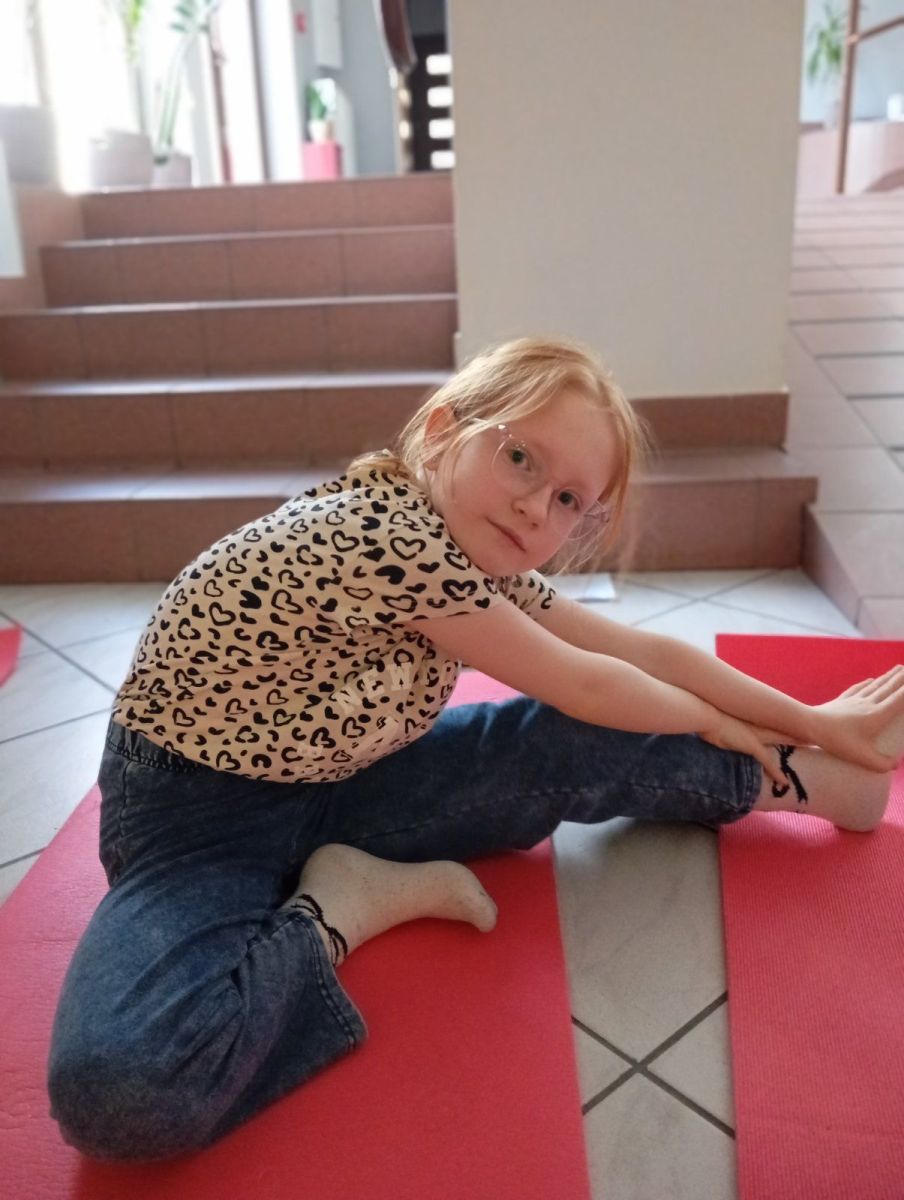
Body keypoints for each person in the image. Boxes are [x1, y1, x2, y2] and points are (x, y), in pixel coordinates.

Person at [47, 336, 904, 1162]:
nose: (537, 507)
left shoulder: (475, 556)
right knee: (119, 1088)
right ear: (440, 432)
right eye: (521, 458)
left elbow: (640, 653)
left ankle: (798, 778)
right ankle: (339, 908)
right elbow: (591, 682)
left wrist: (810, 722)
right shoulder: (386, 536)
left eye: (569, 501)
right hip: (195, 818)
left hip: (341, 779)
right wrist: (719, 721)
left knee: (570, 735)